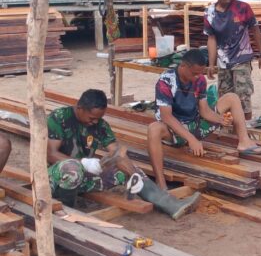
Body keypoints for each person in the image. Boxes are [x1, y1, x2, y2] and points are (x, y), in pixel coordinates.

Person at [47, 89, 200, 220]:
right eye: (92, 118)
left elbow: (117, 152)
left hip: (83, 179)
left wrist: (134, 175)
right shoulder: (59, 118)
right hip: (54, 180)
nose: (94, 122)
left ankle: (171, 205)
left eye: (99, 119)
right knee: (72, 168)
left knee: (128, 169)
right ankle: (65, 210)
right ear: (80, 108)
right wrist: (85, 163)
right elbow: (51, 154)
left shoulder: (99, 125)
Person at [148, 49, 261, 189]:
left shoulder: (199, 80)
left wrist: (220, 119)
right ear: (183, 66)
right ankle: (161, 183)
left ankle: (244, 142)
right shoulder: (166, 81)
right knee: (154, 129)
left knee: (232, 98)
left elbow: (204, 110)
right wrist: (191, 140)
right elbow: (166, 117)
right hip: (173, 131)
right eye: (194, 73)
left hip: (194, 126)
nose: (198, 77)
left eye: (200, 73)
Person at [205, 0, 261, 120]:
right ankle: (229, 129)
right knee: (225, 99)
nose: (227, 0)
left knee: (243, 97)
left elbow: (255, 30)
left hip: (242, 59)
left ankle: (244, 128)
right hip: (223, 62)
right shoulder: (209, 13)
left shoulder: (243, 8)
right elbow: (211, 38)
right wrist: (211, 64)